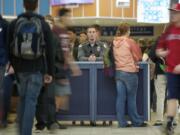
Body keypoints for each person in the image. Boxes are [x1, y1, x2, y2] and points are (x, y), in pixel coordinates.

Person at [7, 0, 54, 135]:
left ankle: (21, 131)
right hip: (36, 68)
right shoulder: (43, 24)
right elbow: (49, 50)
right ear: (37, 5)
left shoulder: (14, 24)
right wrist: (50, 72)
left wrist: (14, 67)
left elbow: (8, 47)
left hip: (20, 69)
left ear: (23, 5)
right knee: (31, 101)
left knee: (22, 100)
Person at [113, 23, 147, 128]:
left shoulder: (114, 42)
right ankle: (136, 121)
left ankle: (121, 122)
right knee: (131, 98)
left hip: (118, 72)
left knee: (120, 98)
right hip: (130, 72)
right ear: (128, 31)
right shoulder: (130, 41)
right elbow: (139, 56)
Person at [52, 8, 81, 128]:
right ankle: (52, 121)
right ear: (62, 17)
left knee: (61, 95)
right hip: (56, 68)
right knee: (60, 95)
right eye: (68, 16)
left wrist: (73, 66)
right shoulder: (55, 30)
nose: (70, 19)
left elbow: (67, 51)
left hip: (62, 67)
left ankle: (52, 120)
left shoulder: (63, 31)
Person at [156, 3, 180, 134]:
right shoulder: (169, 30)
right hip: (171, 70)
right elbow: (160, 47)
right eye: (172, 12)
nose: (173, 14)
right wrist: (161, 52)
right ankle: (169, 123)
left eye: (176, 12)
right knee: (172, 97)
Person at [149, 39, 166, 126]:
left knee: (160, 96)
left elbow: (151, 55)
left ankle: (160, 119)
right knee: (173, 96)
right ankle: (172, 120)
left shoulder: (159, 40)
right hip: (174, 72)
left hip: (160, 72)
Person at [0, 15, 8, 127]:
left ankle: (2, 119)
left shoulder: (4, 24)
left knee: (1, 92)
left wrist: (8, 61)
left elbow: (8, 45)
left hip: (1, 63)